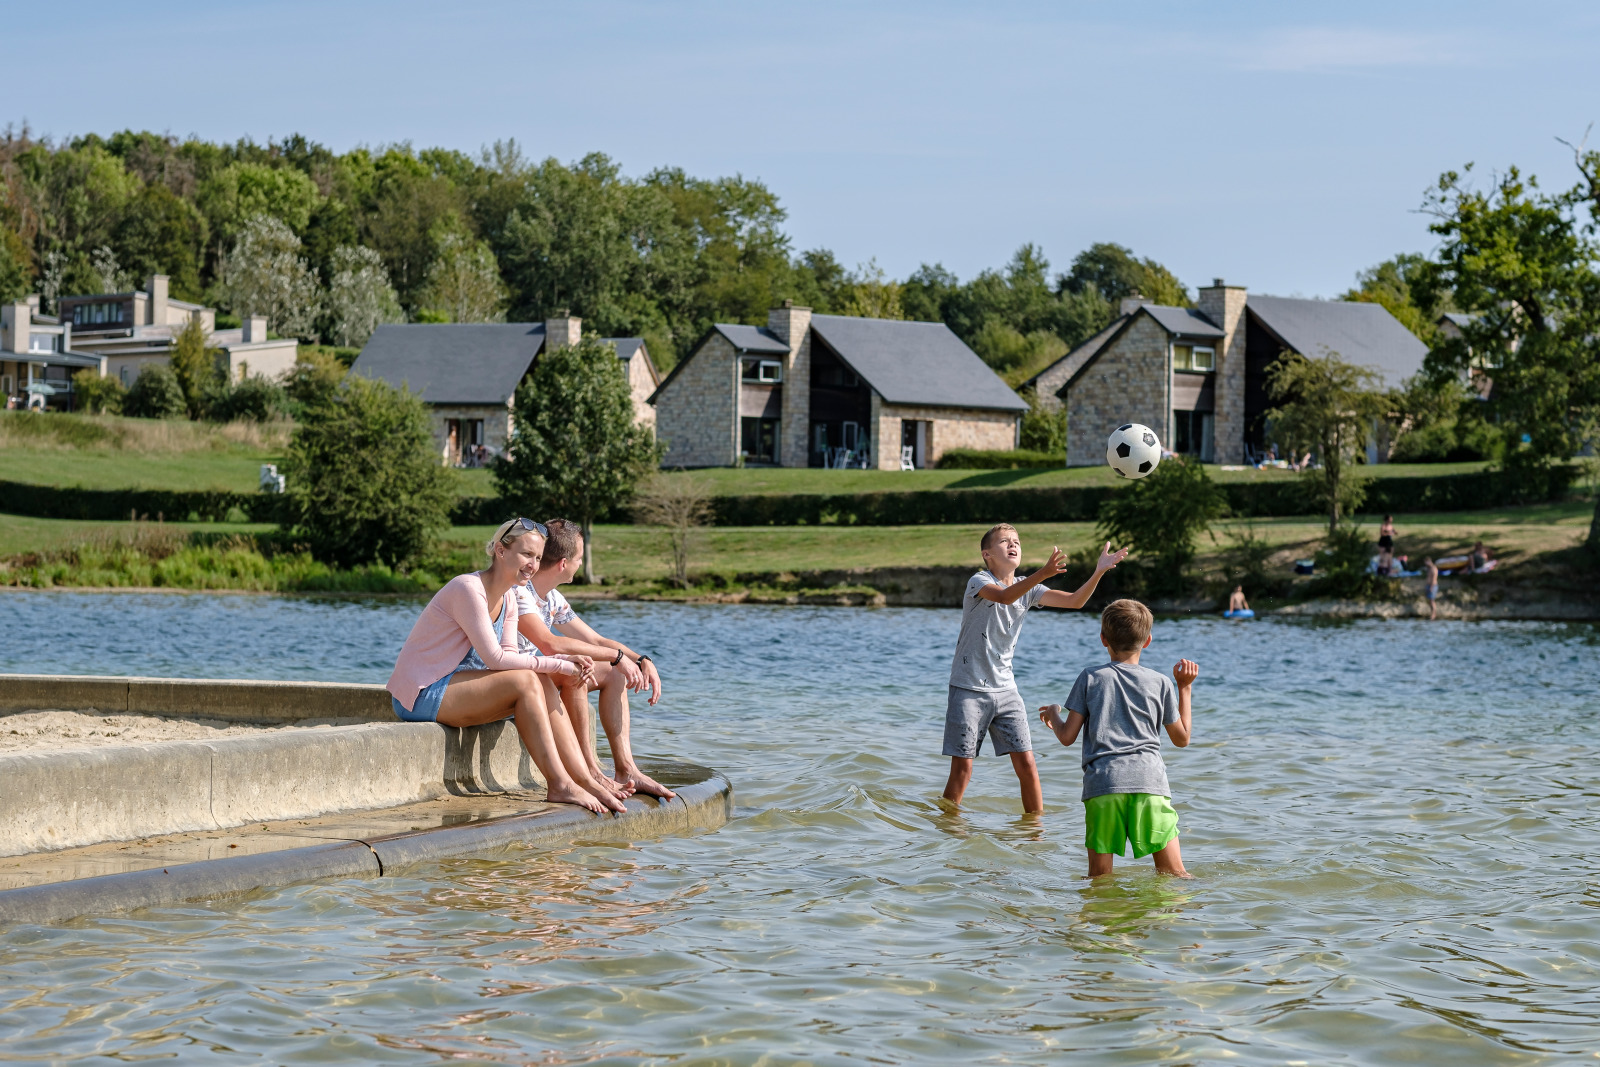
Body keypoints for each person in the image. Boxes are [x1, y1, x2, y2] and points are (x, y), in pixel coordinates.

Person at [385, 517, 625, 814]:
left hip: (458, 688)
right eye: (526, 554)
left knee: (539, 680)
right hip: (421, 694)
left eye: (537, 557)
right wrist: (561, 665)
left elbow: (510, 656)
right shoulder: (467, 588)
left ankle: (584, 780)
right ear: (500, 550)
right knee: (527, 679)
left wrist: (564, 662)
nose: (533, 565)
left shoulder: (510, 597)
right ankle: (561, 784)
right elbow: (495, 660)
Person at [942, 525, 1128, 815]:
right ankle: (948, 828)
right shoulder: (978, 581)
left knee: (1028, 765)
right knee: (963, 769)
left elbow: (1075, 601)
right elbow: (1004, 597)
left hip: (1007, 691)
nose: (1012, 545)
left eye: (1016, 541)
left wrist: (1099, 570)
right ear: (987, 554)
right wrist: (1042, 573)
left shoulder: (1030, 588)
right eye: (1004, 541)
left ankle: (1035, 833)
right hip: (968, 689)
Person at [511, 518, 676, 801]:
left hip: (534, 674)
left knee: (614, 673)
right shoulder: (518, 592)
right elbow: (550, 644)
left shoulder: (551, 598)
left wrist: (640, 660)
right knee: (578, 667)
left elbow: (595, 640)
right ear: (564, 564)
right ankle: (589, 773)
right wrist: (617, 656)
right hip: (512, 680)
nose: (580, 564)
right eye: (580, 558)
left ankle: (626, 770)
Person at [1038, 599, 1197, 878]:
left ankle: (1106, 918)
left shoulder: (1090, 677)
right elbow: (1182, 739)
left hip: (1104, 783)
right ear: (1147, 641)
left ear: (1103, 639)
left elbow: (1066, 737)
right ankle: (1177, 921)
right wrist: (1184, 687)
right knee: (1174, 874)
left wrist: (1054, 714)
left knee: (1100, 878)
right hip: (1150, 783)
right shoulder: (1161, 682)